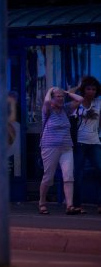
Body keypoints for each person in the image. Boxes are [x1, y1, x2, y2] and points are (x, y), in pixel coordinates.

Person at [39, 87, 83, 215]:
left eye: (61, 96)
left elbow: (80, 99)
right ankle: (42, 202)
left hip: (66, 147)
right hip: (49, 146)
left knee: (69, 175)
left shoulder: (66, 109)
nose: (61, 99)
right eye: (57, 96)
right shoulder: (47, 110)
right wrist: (49, 90)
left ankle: (69, 205)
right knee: (48, 177)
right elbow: (46, 102)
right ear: (52, 98)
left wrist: (67, 93)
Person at [71, 76, 101, 214]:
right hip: (80, 143)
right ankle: (77, 204)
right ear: (84, 90)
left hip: (95, 142)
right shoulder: (79, 102)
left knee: (99, 171)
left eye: (94, 89)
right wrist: (78, 86)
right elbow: (66, 93)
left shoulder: (99, 102)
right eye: (88, 88)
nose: (91, 91)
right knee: (78, 173)